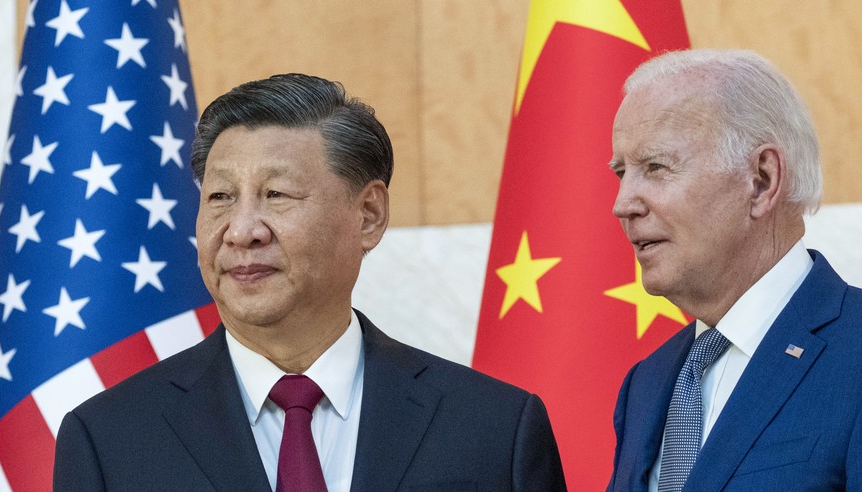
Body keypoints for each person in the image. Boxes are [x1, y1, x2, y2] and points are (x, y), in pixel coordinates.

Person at [53, 74, 566, 491]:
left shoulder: (495, 427)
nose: (242, 230)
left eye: (276, 193)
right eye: (220, 198)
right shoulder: (108, 440)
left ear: (368, 215)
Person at [606, 48, 862, 490]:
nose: (622, 204)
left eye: (655, 167)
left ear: (761, 180)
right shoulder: (645, 384)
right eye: (621, 172)